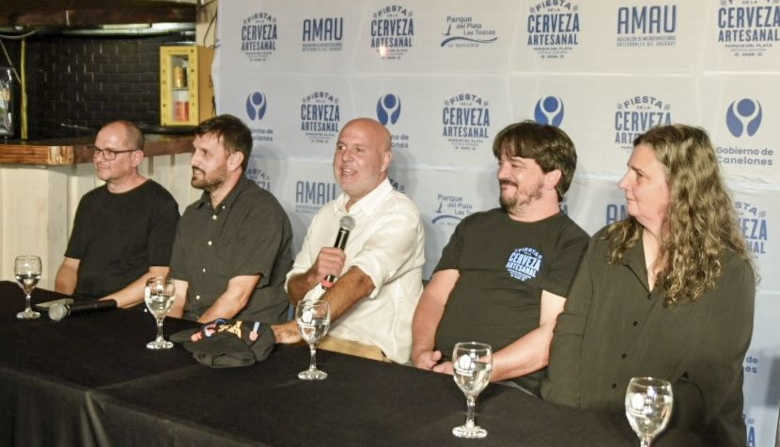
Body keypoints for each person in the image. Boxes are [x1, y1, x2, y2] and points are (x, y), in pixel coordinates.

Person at [542, 124, 755, 446]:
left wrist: (635, 427)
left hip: (680, 437)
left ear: (680, 186)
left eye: (639, 175)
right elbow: (570, 334)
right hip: (590, 428)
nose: (623, 183)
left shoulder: (728, 272)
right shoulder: (606, 245)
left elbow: (708, 384)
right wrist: (568, 420)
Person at [411, 120, 589, 394]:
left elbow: (551, 336)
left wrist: (478, 370)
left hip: (508, 384)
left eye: (515, 165)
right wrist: (421, 351)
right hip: (438, 371)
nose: (502, 174)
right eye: (501, 164)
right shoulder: (474, 226)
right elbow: (434, 296)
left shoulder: (572, 243)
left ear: (552, 177)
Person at [274, 117, 425, 363]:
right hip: (314, 343)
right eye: (340, 147)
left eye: (359, 150)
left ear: (385, 160)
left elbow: (360, 280)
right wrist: (312, 276)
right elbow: (294, 293)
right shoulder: (326, 213)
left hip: (369, 353)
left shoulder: (401, 213)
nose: (345, 157)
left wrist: (304, 325)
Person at [168, 114, 293, 324]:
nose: (194, 160)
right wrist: (167, 333)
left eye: (205, 153)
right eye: (194, 151)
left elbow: (236, 298)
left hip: (240, 334)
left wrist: (193, 335)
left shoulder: (262, 213)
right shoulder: (192, 215)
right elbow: (177, 294)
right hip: (193, 327)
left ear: (234, 160)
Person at [54, 120, 179, 307]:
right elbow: (70, 266)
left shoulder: (161, 204)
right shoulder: (90, 201)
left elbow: (159, 276)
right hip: (82, 307)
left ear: (136, 158)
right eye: (97, 150)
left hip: (125, 311)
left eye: (110, 152)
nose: (99, 158)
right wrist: (61, 303)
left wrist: (99, 307)